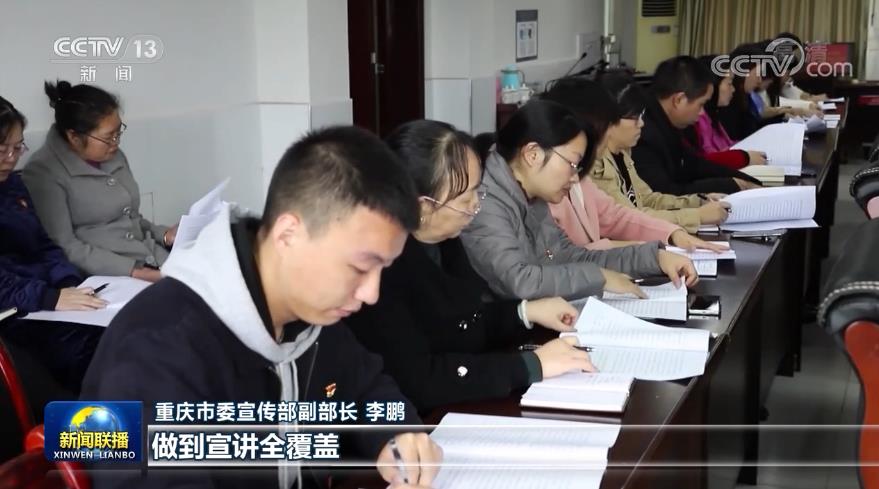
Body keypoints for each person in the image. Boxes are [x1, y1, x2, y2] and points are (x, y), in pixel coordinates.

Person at [80, 126, 442, 488]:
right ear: (288, 235)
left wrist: (398, 437)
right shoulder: (156, 348)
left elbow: (366, 388)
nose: (371, 293)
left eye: (382, 269)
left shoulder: (310, 314)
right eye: (360, 267)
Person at [345, 120, 594, 413]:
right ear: (422, 206)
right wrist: (530, 365)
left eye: (478, 191)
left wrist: (525, 313)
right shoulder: (381, 271)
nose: (476, 206)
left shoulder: (444, 239)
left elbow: (465, 321)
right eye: (465, 199)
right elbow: (419, 380)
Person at [461, 100, 698, 302]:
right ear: (533, 155)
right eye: (572, 164)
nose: (575, 178)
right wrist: (600, 277)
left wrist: (653, 258)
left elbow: (569, 256)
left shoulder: (530, 194)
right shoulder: (485, 201)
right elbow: (519, 281)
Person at [0, 95, 106, 393]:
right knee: (87, 349)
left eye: (18, 147)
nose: (12, 158)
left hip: (46, 298)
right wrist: (50, 298)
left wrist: (68, 283)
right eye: (2, 149)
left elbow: (44, 245)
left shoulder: (12, 184)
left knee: (121, 325)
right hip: (15, 313)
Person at [541, 78, 731, 242]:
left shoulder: (621, 154)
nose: (641, 124)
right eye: (634, 117)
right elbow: (622, 221)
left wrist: (696, 202)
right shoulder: (588, 167)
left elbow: (643, 201)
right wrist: (696, 216)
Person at [23, 80, 177, 283]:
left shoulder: (113, 155)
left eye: (118, 132)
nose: (116, 142)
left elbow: (132, 219)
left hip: (149, 258)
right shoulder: (44, 172)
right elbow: (65, 246)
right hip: (104, 277)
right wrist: (135, 272)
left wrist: (165, 235)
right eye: (108, 137)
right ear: (74, 137)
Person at [632, 55, 762, 195]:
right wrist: (731, 185)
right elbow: (665, 193)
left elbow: (695, 165)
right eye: (701, 104)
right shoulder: (641, 134)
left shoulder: (665, 121)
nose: (701, 113)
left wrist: (743, 179)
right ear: (679, 100)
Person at [689, 57, 768, 169]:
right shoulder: (699, 118)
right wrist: (744, 157)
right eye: (729, 83)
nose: (733, 89)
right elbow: (707, 159)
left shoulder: (712, 115)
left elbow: (728, 145)